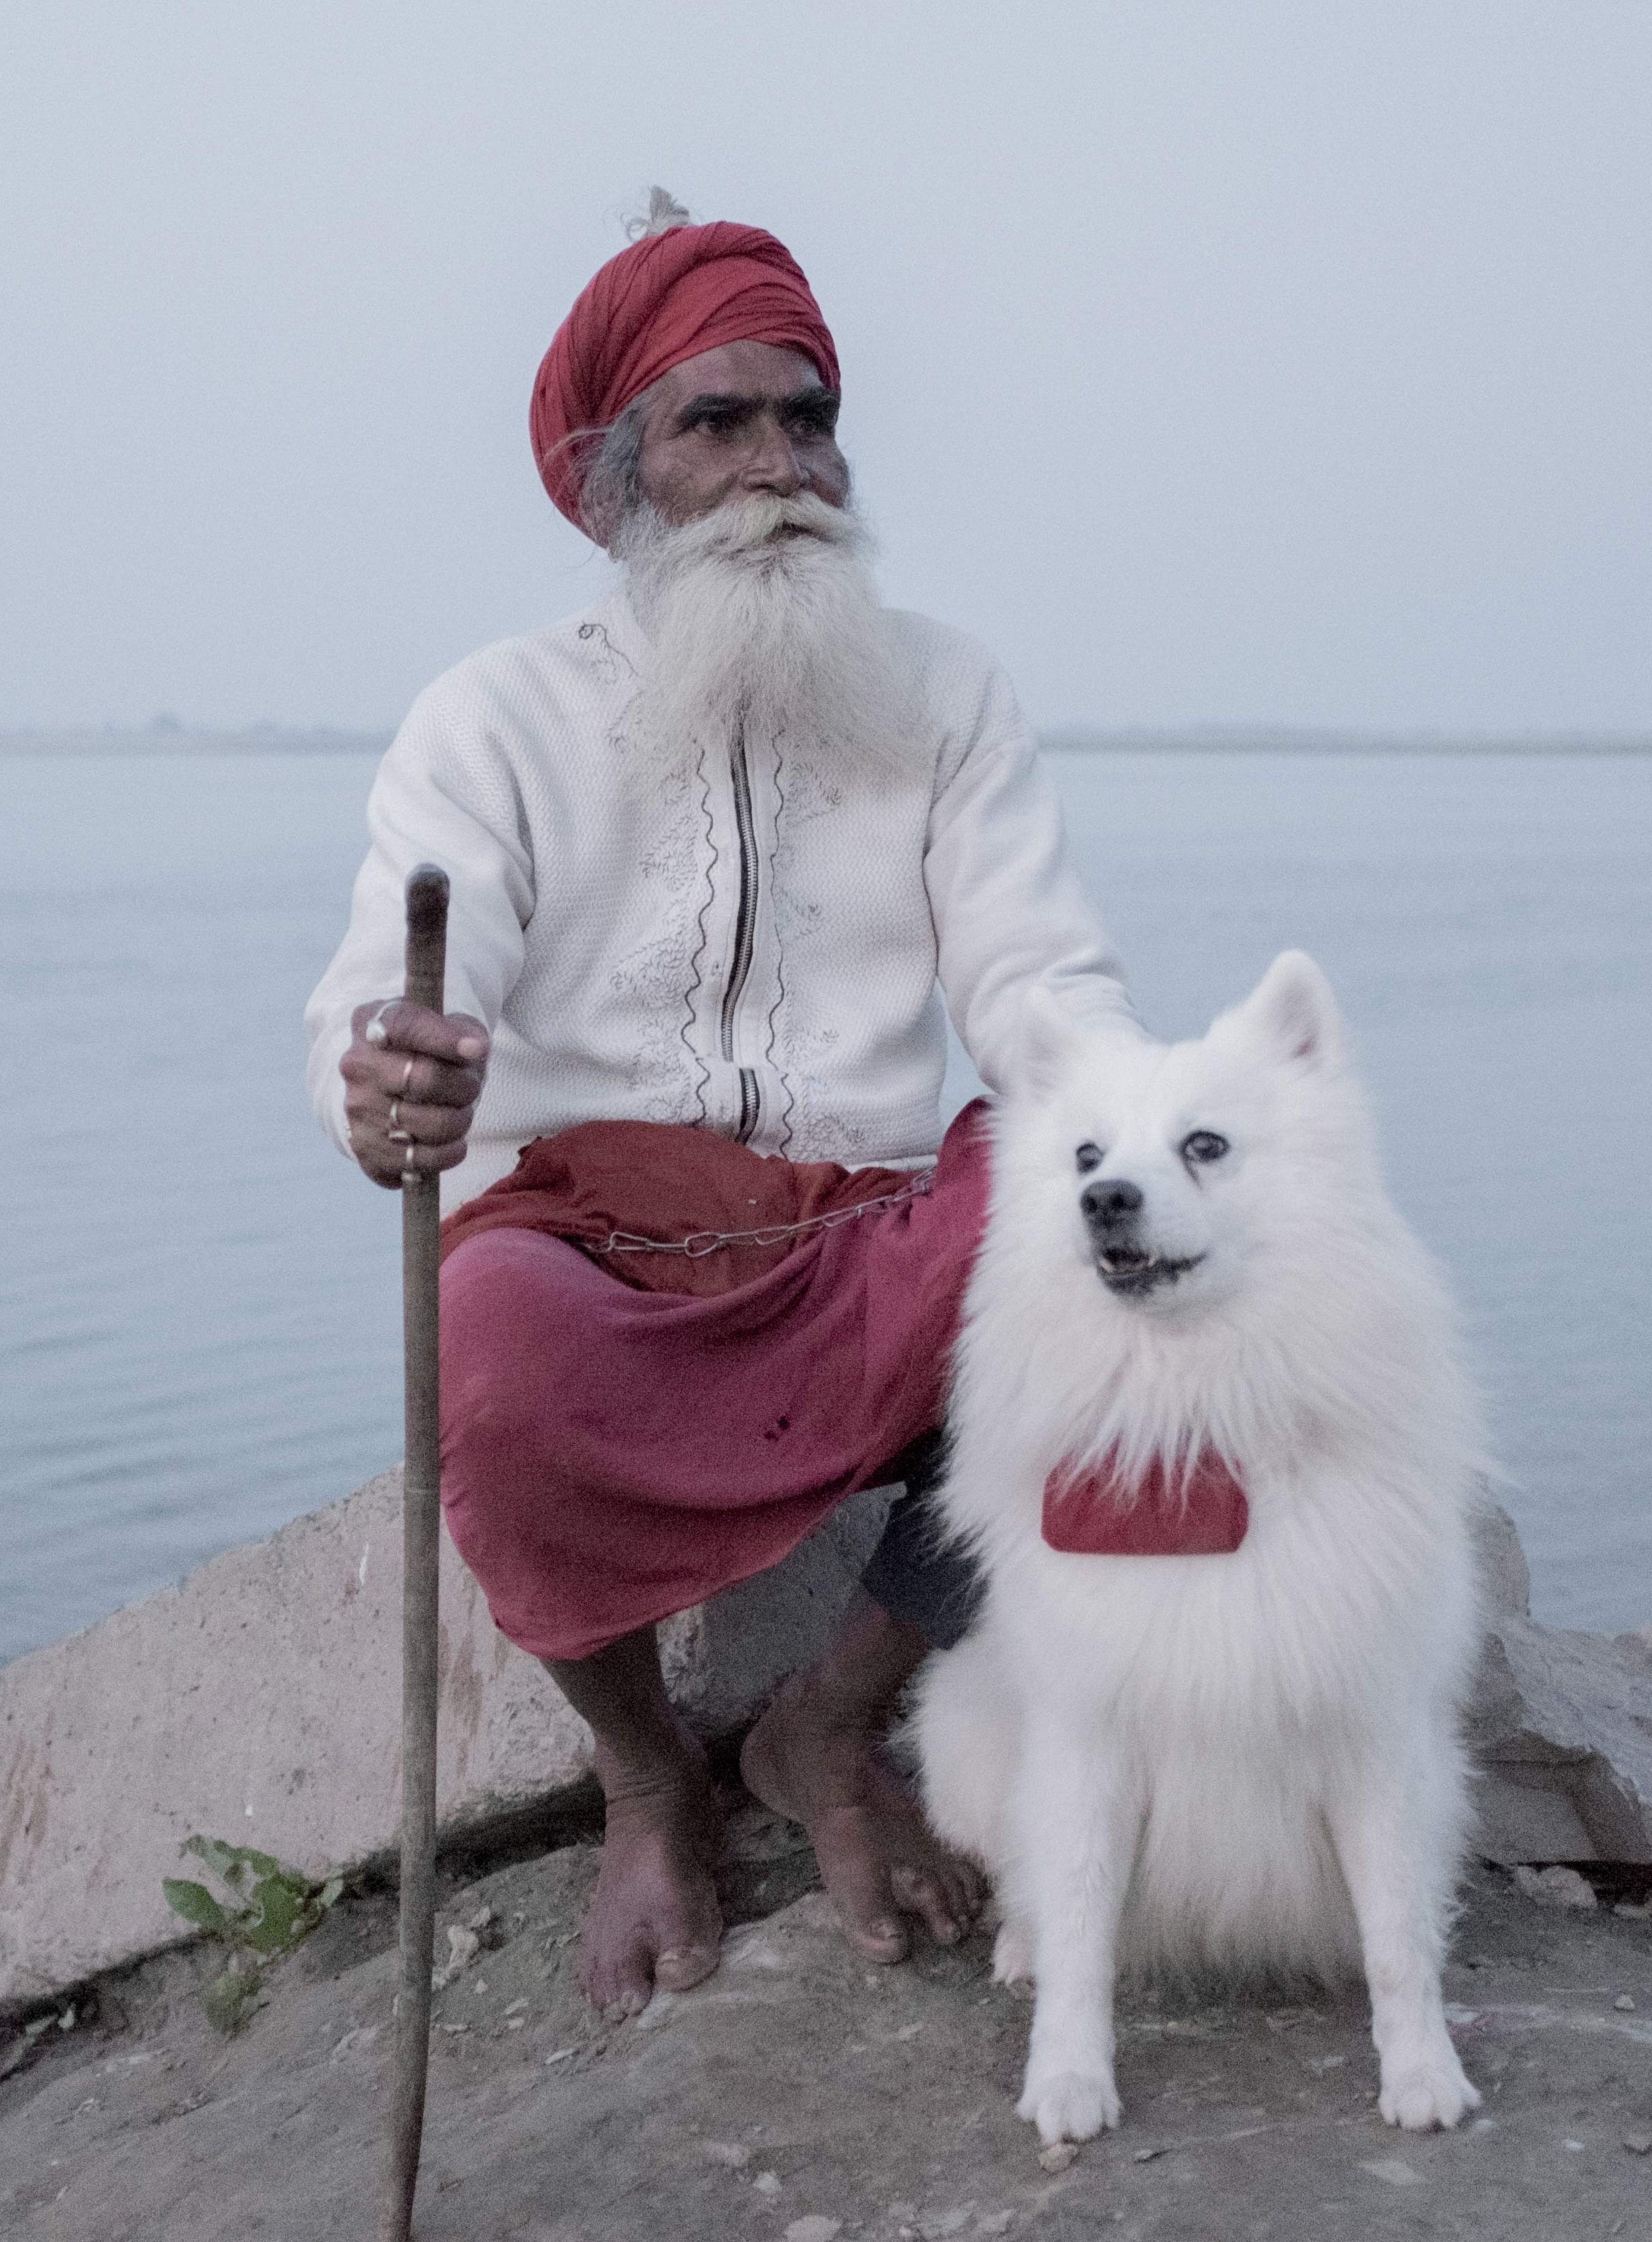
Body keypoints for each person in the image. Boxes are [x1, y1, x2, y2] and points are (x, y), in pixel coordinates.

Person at [306, 192, 1136, 2018]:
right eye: (720, 424)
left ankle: (826, 1732)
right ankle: (643, 1779)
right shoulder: (497, 715)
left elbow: (1040, 984)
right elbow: (386, 993)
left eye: (810, 417)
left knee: (1110, 1252)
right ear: (621, 478)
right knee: (496, 1350)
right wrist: (389, 1082)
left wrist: (1139, 1130)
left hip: (863, 1221)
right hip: (592, 1233)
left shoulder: (944, 690)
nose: (783, 466)